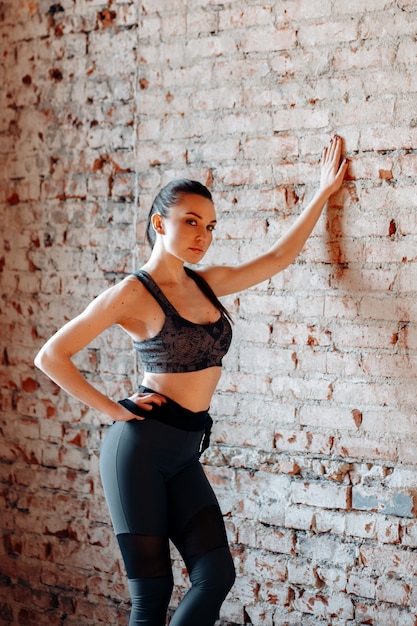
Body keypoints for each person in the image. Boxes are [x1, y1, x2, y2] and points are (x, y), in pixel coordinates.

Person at [34, 135, 348, 626]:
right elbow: (51, 355)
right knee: (152, 595)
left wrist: (322, 193)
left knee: (215, 574)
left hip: (184, 450)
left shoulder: (204, 282)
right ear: (160, 224)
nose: (203, 234)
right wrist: (116, 411)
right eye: (191, 222)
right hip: (137, 450)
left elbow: (276, 258)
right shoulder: (133, 293)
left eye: (210, 226)